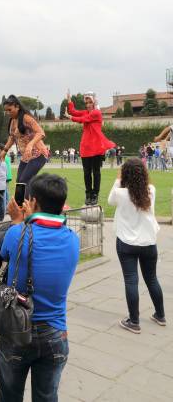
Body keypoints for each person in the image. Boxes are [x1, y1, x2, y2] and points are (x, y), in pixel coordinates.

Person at [0, 174, 80, 402]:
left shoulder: (17, 233)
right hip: (55, 333)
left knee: (9, 395)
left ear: (32, 202)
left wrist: (18, 221)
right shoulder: (73, 239)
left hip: (17, 328)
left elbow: (4, 254)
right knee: (47, 397)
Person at [108, 158, 166, 334]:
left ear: (125, 174)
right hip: (148, 241)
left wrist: (119, 178)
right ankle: (160, 315)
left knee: (131, 280)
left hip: (126, 242)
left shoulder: (120, 192)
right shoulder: (151, 190)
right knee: (152, 279)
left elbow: (110, 200)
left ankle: (134, 321)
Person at [64, 90, 115, 205]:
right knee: (86, 173)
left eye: (89, 102)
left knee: (96, 172)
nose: (87, 105)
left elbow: (82, 119)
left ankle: (95, 195)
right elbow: (73, 111)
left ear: (94, 102)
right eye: (86, 102)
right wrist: (69, 100)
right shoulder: (86, 112)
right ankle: (88, 195)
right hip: (86, 147)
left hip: (97, 147)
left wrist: (70, 117)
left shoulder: (96, 113)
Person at [1, 95, 49, 195]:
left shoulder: (26, 118)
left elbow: (41, 133)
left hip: (38, 155)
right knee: (19, 181)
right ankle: (21, 206)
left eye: (10, 110)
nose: (8, 113)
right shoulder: (13, 121)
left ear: (17, 107)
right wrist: (4, 150)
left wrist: (31, 144)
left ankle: (23, 207)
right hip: (26, 157)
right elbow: (12, 137)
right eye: (6, 111)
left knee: (23, 181)